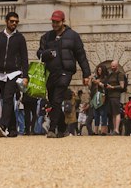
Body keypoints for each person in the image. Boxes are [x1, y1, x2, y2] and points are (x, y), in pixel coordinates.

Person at [38, 10, 91, 138]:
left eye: (57, 22)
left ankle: (52, 129)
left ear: (63, 21)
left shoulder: (73, 36)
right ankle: (63, 128)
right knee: (52, 100)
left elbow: (81, 56)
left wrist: (86, 74)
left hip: (66, 71)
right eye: (53, 22)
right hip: (51, 72)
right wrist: (47, 53)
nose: (54, 24)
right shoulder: (47, 37)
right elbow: (40, 53)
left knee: (57, 98)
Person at [0, 12, 29, 138]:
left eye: (16, 21)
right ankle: (13, 129)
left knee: (8, 97)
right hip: (0, 74)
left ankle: (2, 125)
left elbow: (24, 58)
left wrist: (25, 76)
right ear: (6, 21)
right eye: (12, 21)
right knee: (7, 101)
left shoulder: (20, 38)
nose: (14, 23)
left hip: (14, 73)